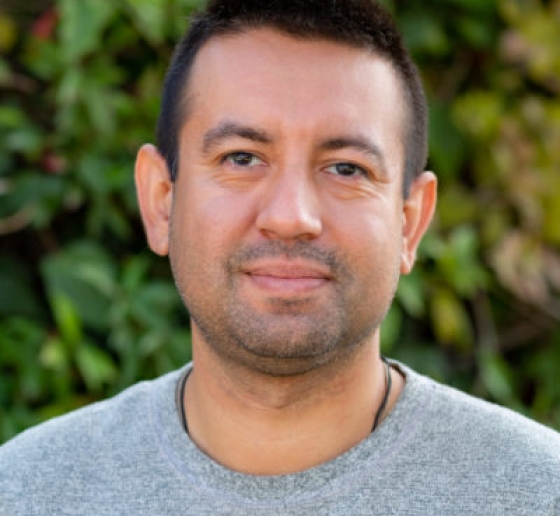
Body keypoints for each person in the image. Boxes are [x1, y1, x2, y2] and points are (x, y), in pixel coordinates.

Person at [1, 0, 559, 514]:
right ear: (160, 201)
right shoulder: (27, 491)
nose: (292, 216)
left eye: (346, 168)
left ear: (410, 221)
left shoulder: (538, 493)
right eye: (242, 157)